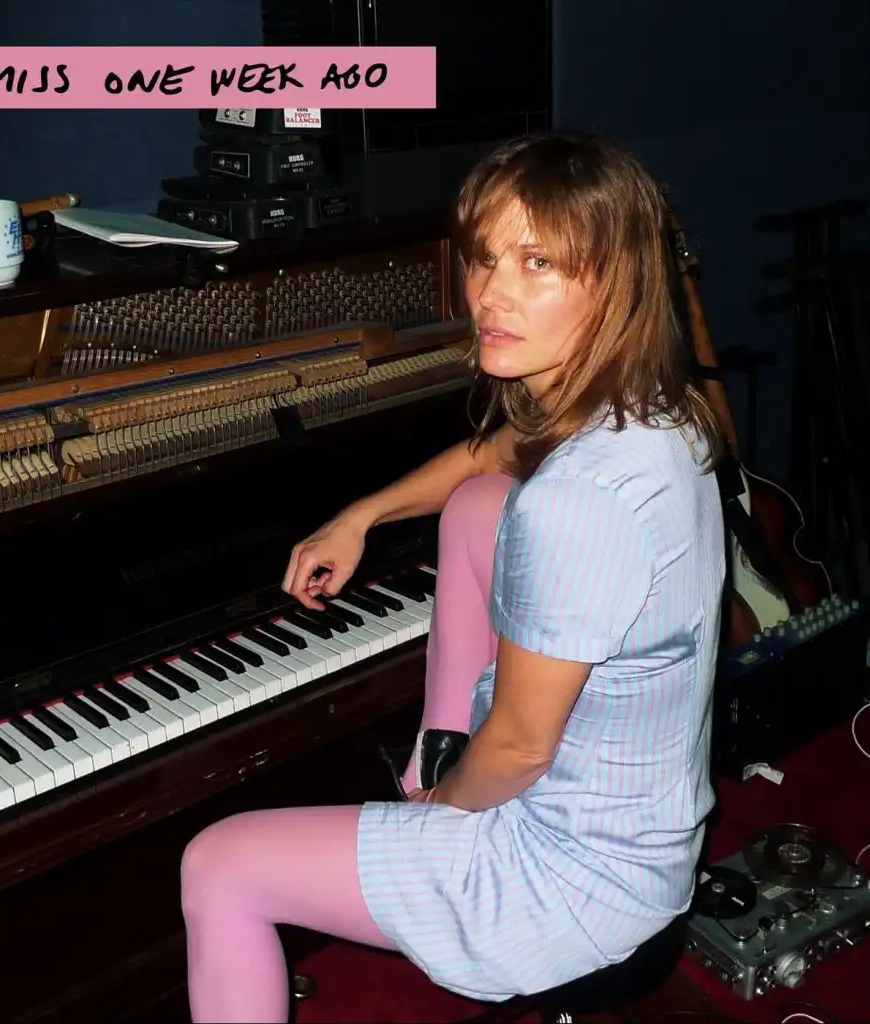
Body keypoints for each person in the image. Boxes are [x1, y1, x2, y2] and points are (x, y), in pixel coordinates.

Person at [179, 130, 727, 1023]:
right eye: (483, 259)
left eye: (538, 263)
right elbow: (499, 451)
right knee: (477, 505)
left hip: (573, 884)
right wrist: (362, 515)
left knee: (217, 865)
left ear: (617, 282)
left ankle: (429, 804)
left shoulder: (579, 502)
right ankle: (430, 762)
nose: (491, 294)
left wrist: (447, 804)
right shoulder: (660, 410)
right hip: (650, 835)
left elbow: (519, 749)